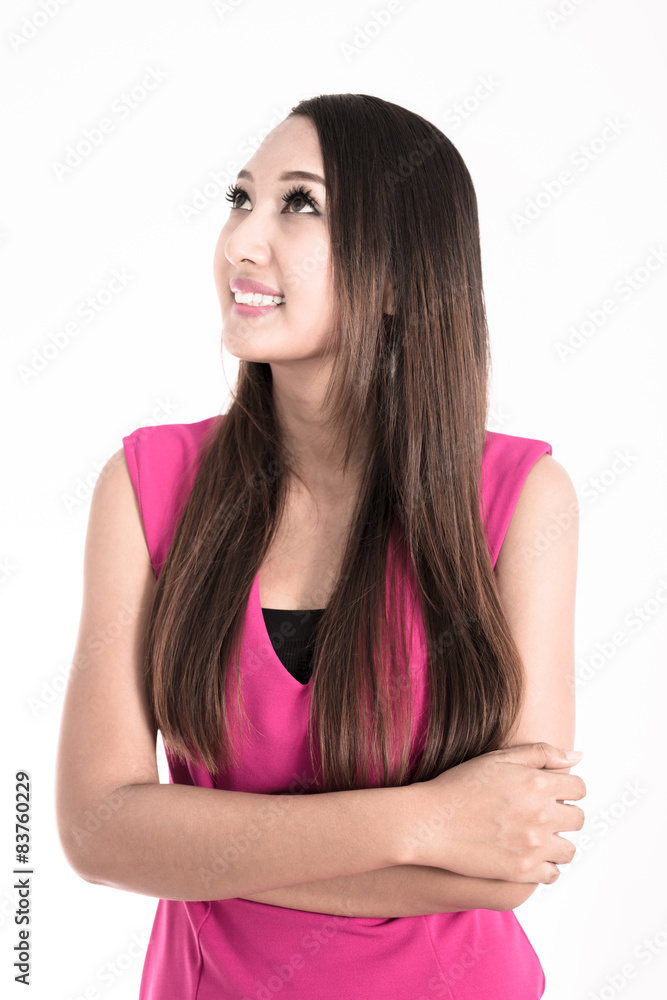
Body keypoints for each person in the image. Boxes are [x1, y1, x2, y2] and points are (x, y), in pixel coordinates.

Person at [55, 93, 586, 999]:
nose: (241, 241)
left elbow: (509, 860)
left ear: (399, 273)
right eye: (240, 199)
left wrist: (195, 849)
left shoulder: (520, 498)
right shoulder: (148, 485)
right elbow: (96, 831)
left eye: (299, 204)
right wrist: (425, 821)